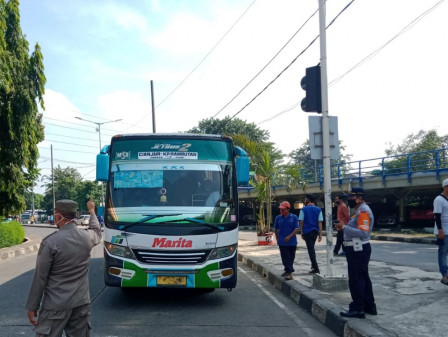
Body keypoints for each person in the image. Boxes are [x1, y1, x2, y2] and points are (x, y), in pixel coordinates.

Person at [26, 198, 102, 336]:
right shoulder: (87, 237)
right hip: (81, 303)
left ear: (58, 216)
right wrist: (92, 211)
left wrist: (32, 306)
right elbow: (97, 231)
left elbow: (40, 278)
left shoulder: (51, 242)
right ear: (75, 216)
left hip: (55, 305)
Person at [335, 187, 376, 319]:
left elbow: (363, 233)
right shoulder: (358, 211)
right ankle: (369, 306)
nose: (350, 199)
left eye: (352, 197)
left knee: (356, 279)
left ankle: (357, 309)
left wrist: (344, 227)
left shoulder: (363, 211)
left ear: (360, 197)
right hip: (357, 249)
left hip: (358, 249)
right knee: (363, 278)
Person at [274, 201, 299, 280]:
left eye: (283, 209)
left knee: (291, 258)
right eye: (281, 209)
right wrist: (277, 238)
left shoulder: (294, 217)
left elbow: (296, 229)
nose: (282, 211)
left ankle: (288, 271)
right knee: (285, 258)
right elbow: (276, 229)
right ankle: (289, 272)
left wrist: (289, 236)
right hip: (282, 242)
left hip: (292, 242)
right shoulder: (278, 218)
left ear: (288, 209)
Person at [299, 194, 323, 274]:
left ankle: (316, 268)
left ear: (307, 200)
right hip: (315, 231)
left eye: (305, 199)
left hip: (307, 231)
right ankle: (313, 265)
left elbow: (301, 221)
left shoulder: (303, 209)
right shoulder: (318, 209)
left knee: (311, 250)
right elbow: (319, 222)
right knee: (312, 247)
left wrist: (302, 231)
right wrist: (320, 234)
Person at [433, 178, 448, 285]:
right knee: (442, 253)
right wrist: (440, 230)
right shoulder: (439, 199)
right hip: (443, 231)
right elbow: (437, 216)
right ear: (445, 187)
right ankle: (445, 275)